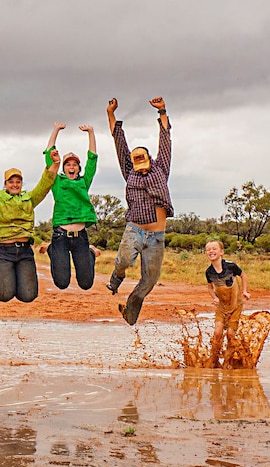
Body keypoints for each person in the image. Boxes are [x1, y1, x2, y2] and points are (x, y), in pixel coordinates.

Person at [105, 96, 174, 325]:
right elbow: (119, 143)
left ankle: (131, 308)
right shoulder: (129, 171)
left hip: (157, 236)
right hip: (135, 229)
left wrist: (162, 111)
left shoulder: (161, 168)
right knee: (124, 259)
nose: (142, 171)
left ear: (149, 160)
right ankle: (118, 276)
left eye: (143, 164)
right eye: (138, 166)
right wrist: (111, 113)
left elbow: (166, 141)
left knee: (150, 280)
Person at [0, 148, 57, 303]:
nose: (15, 184)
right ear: (5, 183)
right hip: (1, 251)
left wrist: (55, 163)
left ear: (21, 183)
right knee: (4, 295)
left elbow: (45, 185)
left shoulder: (29, 198)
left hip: (24, 252)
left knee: (28, 296)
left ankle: (7, 276)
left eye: (18, 181)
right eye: (11, 182)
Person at [42, 121, 101, 290]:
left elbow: (92, 160)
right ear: (63, 167)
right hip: (60, 237)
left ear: (78, 168)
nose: (71, 166)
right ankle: (51, 250)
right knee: (61, 283)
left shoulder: (84, 182)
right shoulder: (57, 182)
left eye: (74, 164)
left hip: (81, 237)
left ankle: (90, 252)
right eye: (68, 164)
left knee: (86, 284)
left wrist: (91, 132)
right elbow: (48, 156)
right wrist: (55, 130)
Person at [205, 240, 251, 368]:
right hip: (221, 306)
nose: (211, 251)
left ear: (221, 252)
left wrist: (245, 291)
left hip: (235, 305)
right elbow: (209, 288)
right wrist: (214, 297)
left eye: (214, 249)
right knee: (217, 333)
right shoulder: (209, 272)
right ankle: (214, 359)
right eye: (208, 249)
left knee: (230, 334)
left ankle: (229, 360)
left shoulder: (231, 266)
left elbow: (243, 276)